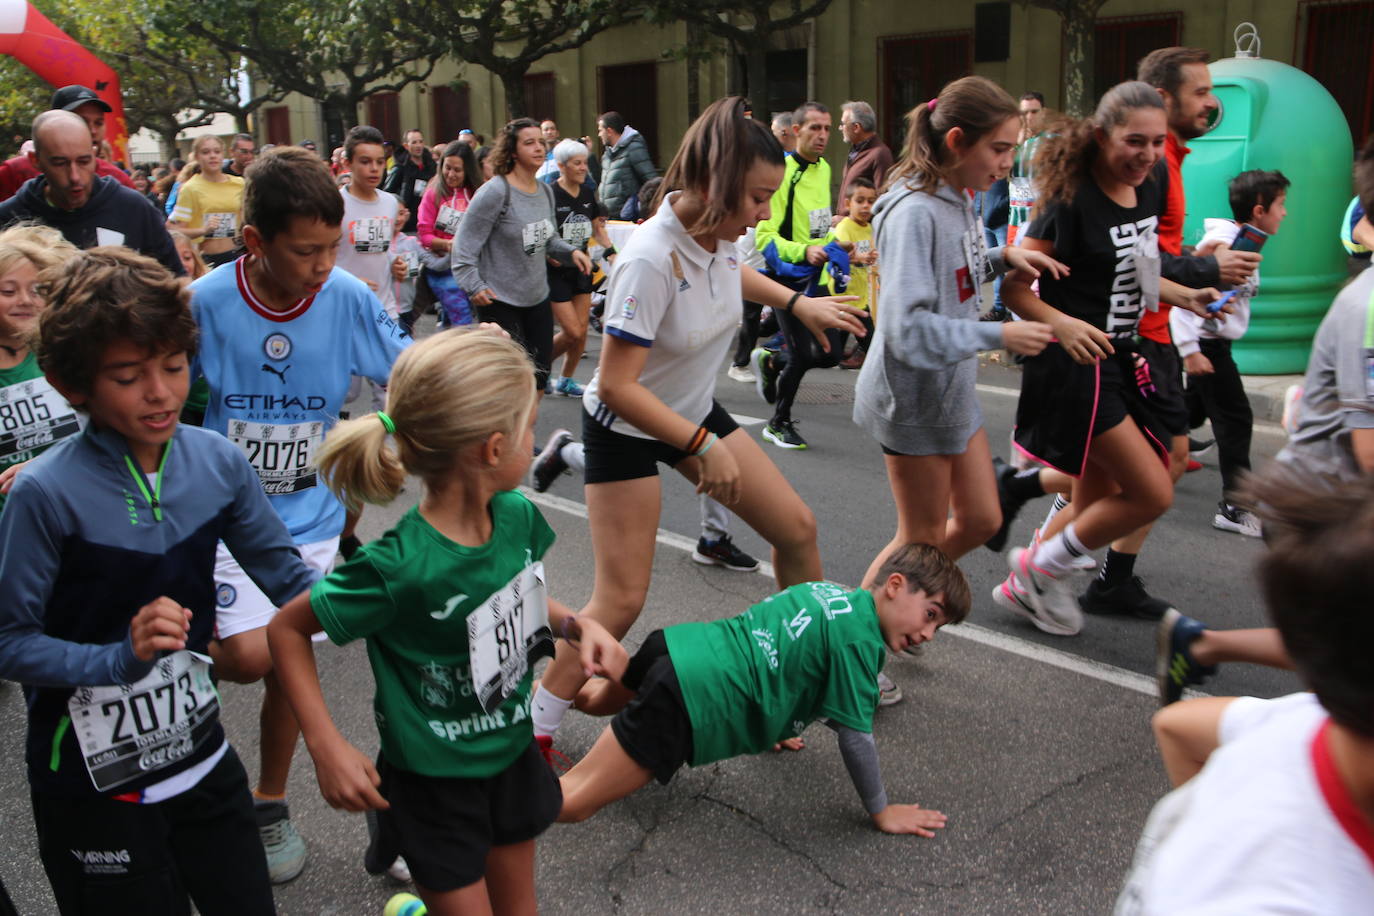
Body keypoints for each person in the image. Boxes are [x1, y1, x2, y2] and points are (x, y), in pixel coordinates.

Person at [525, 96, 870, 750]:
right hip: (625, 425)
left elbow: (731, 272)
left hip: (688, 412)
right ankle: (534, 730)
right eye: (757, 198)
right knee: (620, 601)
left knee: (796, 530)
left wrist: (801, 303)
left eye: (771, 198)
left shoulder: (715, 234)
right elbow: (621, 387)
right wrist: (699, 444)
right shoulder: (652, 257)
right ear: (713, 187)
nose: (764, 213)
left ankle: (780, 684)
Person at [0, 246, 318, 915]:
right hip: (91, 781)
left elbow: (291, 581)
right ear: (68, 382)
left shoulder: (219, 462)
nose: (161, 392)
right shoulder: (42, 494)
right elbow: (10, 641)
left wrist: (396, 587)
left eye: (174, 366)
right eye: (128, 375)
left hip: (200, 756)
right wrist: (118, 657)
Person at [266, 329, 627, 915]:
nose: (534, 440)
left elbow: (517, 595)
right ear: (491, 449)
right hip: (433, 780)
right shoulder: (397, 567)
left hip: (509, 755)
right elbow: (286, 629)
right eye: (529, 428)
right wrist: (325, 745)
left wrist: (575, 627)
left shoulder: (515, 517)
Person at [189, 145, 409, 883]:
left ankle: (268, 801)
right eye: (305, 251)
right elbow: (169, 403)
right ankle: (189, 728)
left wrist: (466, 361)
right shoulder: (206, 304)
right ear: (256, 242)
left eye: (332, 248)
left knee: (290, 653)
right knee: (249, 657)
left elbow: (404, 377)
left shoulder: (345, 297)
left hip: (313, 516)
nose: (323, 265)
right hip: (224, 519)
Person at [993, 81, 1224, 636]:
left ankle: (1029, 582)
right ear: (1101, 136)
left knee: (1096, 497)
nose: (1146, 155)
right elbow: (1016, 291)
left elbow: (1138, 268)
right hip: (1075, 367)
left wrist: (1180, 295)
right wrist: (1064, 323)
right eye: (1134, 141)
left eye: (1155, 142)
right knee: (1150, 491)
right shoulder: (1068, 204)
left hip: (1121, 358)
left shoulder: (1149, 182)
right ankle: (1035, 569)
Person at [558, 544, 966, 837]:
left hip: (677, 649)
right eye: (930, 614)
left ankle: (528, 700)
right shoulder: (862, 644)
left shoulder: (828, 592)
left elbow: (782, 649)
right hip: (694, 698)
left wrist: (779, 720)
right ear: (895, 584)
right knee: (575, 801)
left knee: (594, 699)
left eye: (938, 626)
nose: (928, 634)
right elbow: (856, 738)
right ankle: (496, 790)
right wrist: (881, 811)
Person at [1116, 467, 1374, 912]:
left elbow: (1177, 724)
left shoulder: (1304, 721)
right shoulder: (1272, 897)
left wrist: (1204, 814)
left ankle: (1201, 643)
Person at [1076, 47, 1261, 621]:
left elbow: (1147, 260)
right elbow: (1136, 259)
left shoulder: (1166, 161)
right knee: (1159, 465)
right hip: (1132, 340)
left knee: (1126, 471)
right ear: (1162, 98)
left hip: (1147, 334)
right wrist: (1202, 274)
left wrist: (1188, 291)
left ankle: (1085, 570)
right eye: (1202, 92)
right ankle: (1048, 564)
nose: (1212, 102)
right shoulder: (1148, 169)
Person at [852, 77, 1058, 592]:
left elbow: (953, 274)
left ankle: (894, 606)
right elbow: (905, 327)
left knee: (982, 520)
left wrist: (1001, 256)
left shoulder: (958, 194)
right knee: (918, 541)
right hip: (913, 397)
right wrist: (1001, 337)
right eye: (999, 148)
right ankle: (858, 638)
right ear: (957, 141)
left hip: (950, 391)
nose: (1008, 162)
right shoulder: (915, 211)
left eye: (1012, 148)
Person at [1172, 169, 1290, 537]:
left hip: (1214, 345)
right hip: (1206, 345)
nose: (1284, 213)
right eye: (1281, 205)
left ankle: (1136, 455)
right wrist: (1190, 351)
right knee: (1235, 420)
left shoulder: (1246, 241)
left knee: (1184, 413)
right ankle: (1236, 506)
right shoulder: (1225, 241)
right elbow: (1185, 297)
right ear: (1259, 210)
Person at [452, 118, 591, 394]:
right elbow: (463, 248)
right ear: (513, 151)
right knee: (511, 384)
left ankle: (526, 436)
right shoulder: (495, 192)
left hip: (537, 295)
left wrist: (571, 251)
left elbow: (549, 238)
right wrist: (474, 286)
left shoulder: (544, 191)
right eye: (529, 143)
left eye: (541, 142)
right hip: (500, 299)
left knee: (538, 379)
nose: (539, 148)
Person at [750, 101, 843, 450]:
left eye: (826, 129)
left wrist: (839, 245)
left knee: (832, 354)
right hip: (786, 277)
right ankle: (778, 424)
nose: (822, 136)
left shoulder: (824, 168)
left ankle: (772, 360)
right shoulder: (783, 172)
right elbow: (765, 235)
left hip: (816, 276)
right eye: (815, 128)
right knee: (804, 355)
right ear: (796, 131)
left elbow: (819, 227)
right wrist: (802, 252)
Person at [0, 111, 183, 276]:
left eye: (84, 161)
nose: (74, 176)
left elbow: (176, 281)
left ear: (95, 155)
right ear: (35, 160)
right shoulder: (8, 218)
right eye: (60, 163)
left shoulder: (133, 208)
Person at [0, 225, 82, 511]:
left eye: (37, 291)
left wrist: (46, 467)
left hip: (73, 518)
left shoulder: (70, 356)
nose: (24, 300)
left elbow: (107, 439)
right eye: (8, 291)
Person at [547, 138, 609, 398]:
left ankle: (566, 380)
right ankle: (536, 367)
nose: (584, 168)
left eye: (585, 162)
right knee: (571, 331)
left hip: (582, 269)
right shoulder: (549, 193)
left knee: (581, 331)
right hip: (556, 271)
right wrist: (546, 254)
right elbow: (539, 232)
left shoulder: (586, 192)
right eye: (577, 163)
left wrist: (612, 252)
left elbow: (597, 228)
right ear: (562, 166)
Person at [0, 85, 135, 201]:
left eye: (98, 123)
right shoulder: (15, 172)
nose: (93, 131)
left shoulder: (119, 180)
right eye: (81, 121)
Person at [420, 140, 480, 328]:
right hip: (442, 267)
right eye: (447, 168)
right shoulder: (433, 194)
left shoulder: (478, 194)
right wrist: (447, 244)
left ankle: (445, 352)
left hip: (472, 266)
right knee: (462, 318)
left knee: (453, 320)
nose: (451, 174)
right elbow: (425, 235)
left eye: (457, 170)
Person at [168, 135, 245, 268]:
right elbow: (174, 229)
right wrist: (203, 230)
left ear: (223, 154)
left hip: (239, 255)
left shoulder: (239, 183)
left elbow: (247, 217)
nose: (212, 156)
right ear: (197, 157)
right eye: (206, 152)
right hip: (209, 258)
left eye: (217, 151)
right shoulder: (190, 188)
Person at [830, 177, 878, 370]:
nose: (866, 206)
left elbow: (869, 253)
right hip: (844, 297)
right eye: (860, 201)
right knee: (872, 344)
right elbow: (839, 255)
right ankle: (779, 360)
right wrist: (860, 257)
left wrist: (872, 256)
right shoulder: (844, 228)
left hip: (859, 295)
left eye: (871, 201)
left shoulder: (868, 228)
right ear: (848, 204)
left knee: (831, 355)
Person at [836, 101, 893, 219]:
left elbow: (881, 200)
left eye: (843, 123)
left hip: (862, 233)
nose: (840, 128)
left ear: (856, 127)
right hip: (846, 231)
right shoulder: (856, 150)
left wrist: (848, 220)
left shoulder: (880, 154)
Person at [597, 110, 658, 218]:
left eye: (600, 130)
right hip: (609, 219)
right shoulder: (607, 155)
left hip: (628, 219)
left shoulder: (633, 148)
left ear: (609, 131)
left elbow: (652, 181)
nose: (599, 134)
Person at [382, 128, 436, 234]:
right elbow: (388, 192)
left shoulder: (431, 166)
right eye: (414, 142)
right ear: (406, 146)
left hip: (427, 219)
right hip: (407, 224)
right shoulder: (400, 167)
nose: (418, 146)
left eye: (420, 142)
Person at [535, 118, 561, 183]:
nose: (549, 132)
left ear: (557, 133)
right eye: (546, 130)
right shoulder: (536, 155)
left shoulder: (564, 153)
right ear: (540, 134)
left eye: (552, 129)